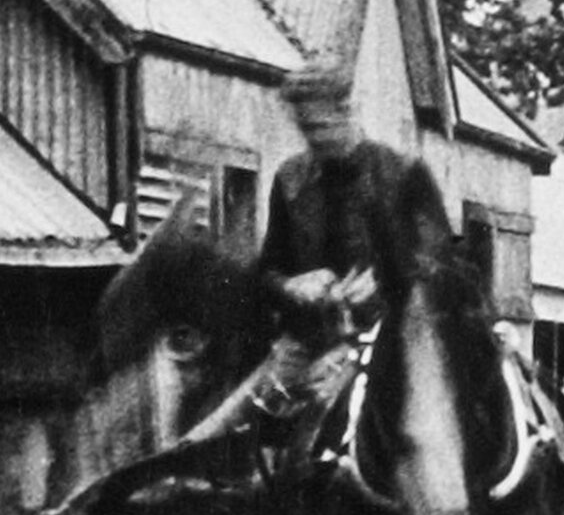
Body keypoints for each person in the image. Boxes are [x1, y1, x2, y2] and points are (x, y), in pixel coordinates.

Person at [173, 65, 466, 456]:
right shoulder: (291, 179)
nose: (316, 139)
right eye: (306, 129)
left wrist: (387, 278)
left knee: (350, 439)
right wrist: (291, 285)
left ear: (347, 110)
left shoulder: (403, 176)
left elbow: (446, 266)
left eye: (322, 125)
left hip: (388, 345)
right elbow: (267, 271)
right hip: (306, 343)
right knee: (220, 429)